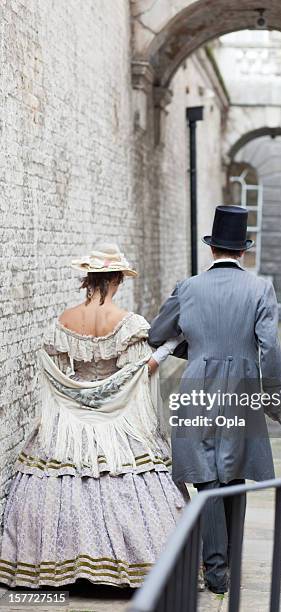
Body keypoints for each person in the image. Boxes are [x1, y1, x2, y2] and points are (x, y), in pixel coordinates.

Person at [0, 244, 185, 588]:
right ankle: (128, 567)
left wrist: (80, 393)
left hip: (70, 419)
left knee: (63, 479)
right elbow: (135, 375)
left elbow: (58, 373)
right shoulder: (128, 323)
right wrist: (169, 349)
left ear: (89, 279)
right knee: (125, 481)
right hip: (116, 420)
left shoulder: (64, 321)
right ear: (116, 278)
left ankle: (60, 566)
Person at [148, 205, 281, 594]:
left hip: (197, 390)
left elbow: (158, 333)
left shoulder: (188, 288)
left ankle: (215, 567)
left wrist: (194, 352)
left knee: (205, 477)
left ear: (212, 250)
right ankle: (228, 557)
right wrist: (274, 399)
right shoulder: (261, 289)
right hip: (242, 391)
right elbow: (270, 350)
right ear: (243, 251)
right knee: (234, 471)